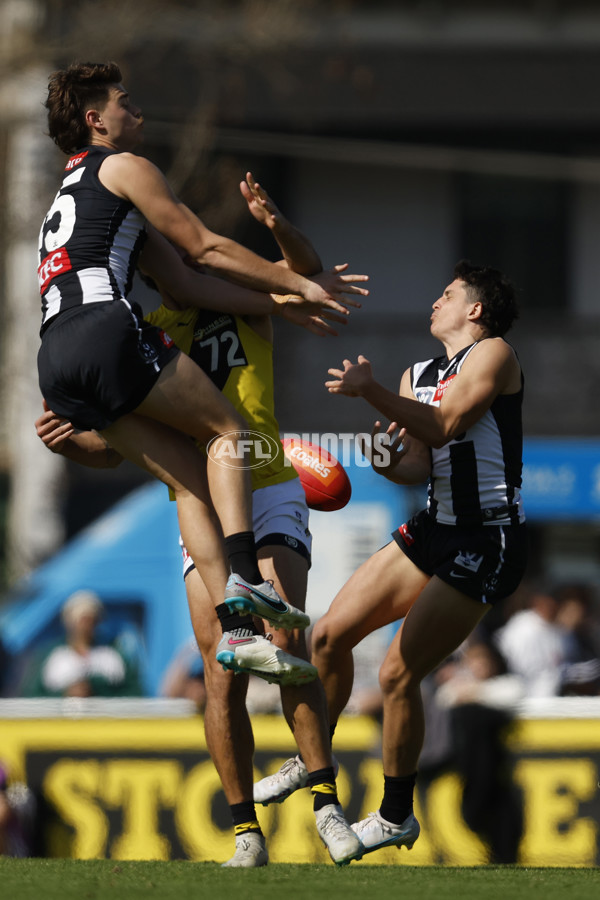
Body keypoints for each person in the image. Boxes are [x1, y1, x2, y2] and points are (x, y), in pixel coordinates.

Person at [35, 175, 365, 867]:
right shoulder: (147, 339)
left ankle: (327, 804)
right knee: (223, 675)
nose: (177, 273)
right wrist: (76, 443)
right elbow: (117, 452)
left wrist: (277, 225)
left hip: (269, 486)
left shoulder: (246, 310)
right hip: (203, 518)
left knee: (284, 643)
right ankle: (247, 832)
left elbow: (301, 277)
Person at [37, 61, 364, 684]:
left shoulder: (73, 194)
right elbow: (205, 248)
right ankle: (246, 579)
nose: (138, 112)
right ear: (93, 119)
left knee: (192, 488)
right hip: (107, 327)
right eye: (124, 101)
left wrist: (285, 301)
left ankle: (237, 630)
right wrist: (299, 282)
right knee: (229, 432)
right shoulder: (122, 166)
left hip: (56, 353)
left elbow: (186, 282)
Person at [257, 260, 528, 861]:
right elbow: (417, 464)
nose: (436, 301)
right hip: (435, 527)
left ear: (475, 310)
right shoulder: (417, 372)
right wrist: (383, 459)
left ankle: (396, 816)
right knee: (328, 636)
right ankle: (310, 760)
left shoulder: (494, 355)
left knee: (397, 676)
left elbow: (449, 421)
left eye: (448, 294)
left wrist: (370, 391)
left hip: (486, 540)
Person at [20, 590, 142, 698]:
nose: (86, 627)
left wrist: (97, 690)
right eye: (82, 620)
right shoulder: (51, 655)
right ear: (69, 622)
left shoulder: (113, 654)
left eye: (91, 620)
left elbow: (135, 694)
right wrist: (63, 694)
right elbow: (32, 695)